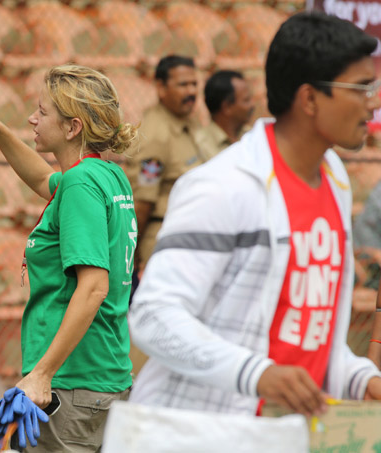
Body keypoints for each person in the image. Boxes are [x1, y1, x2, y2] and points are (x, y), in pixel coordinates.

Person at [129, 11, 381, 416]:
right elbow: (153, 317)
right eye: (361, 88)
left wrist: (361, 379)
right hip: (205, 434)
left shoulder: (333, 179)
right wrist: (255, 374)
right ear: (310, 99)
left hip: (288, 434)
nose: (373, 102)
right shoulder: (225, 186)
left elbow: (309, 338)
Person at [0, 65, 137, 451]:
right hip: (100, 376)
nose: (32, 119)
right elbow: (40, 179)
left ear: (72, 128)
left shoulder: (81, 183)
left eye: (43, 112)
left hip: (72, 383)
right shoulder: (105, 174)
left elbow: (94, 287)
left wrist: (42, 374)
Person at [123, 55, 204, 277]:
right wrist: (133, 254)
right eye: (183, 85)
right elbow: (142, 203)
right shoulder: (156, 135)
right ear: (161, 88)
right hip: (166, 242)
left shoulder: (187, 122)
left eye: (194, 84)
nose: (191, 91)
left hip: (190, 238)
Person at [196, 70, 255, 157]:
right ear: (227, 107)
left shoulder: (252, 135)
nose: (252, 105)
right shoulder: (200, 144)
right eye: (246, 100)